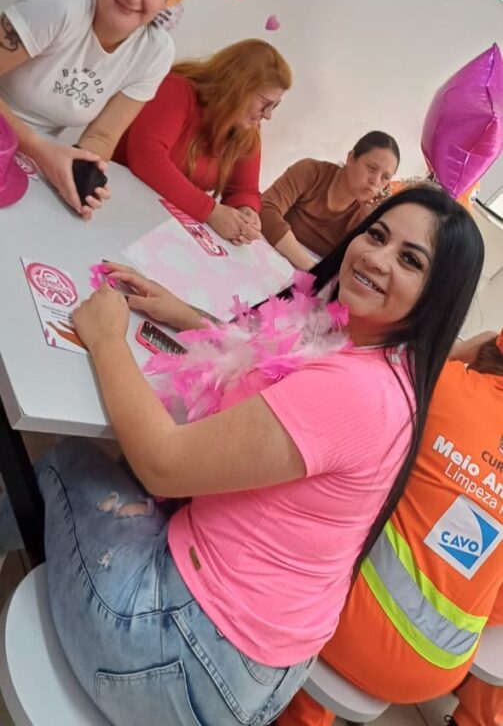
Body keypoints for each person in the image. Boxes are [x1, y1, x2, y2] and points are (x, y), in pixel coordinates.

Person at [0, 187, 483, 726]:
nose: (376, 257)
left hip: (176, 658)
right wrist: (186, 315)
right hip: (257, 674)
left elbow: (162, 463)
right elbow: (273, 364)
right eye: (377, 234)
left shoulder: (356, 392)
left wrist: (107, 338)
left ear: (437, 296)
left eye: (410, 260)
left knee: (66, 461)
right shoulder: (383, 362)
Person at [277, 332, 503, 726]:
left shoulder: (442, 385)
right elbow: (496, 610)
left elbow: (374, 369)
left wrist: (452, 352)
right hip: (435, 672)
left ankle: (296, 712)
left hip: (335, 627)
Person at [0, 0, 198, 218]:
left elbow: (103, 136)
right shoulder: (61, 5)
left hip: (29, 162)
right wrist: (41, 151)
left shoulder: (155, 53)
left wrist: (81, 172)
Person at [114, 39, 292, 245]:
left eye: (274, 106)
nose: (268, 115)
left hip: (157, 222)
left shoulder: (247, 127)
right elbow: (147, 158)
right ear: (239, 88)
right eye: (265, 103)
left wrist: (246, 212)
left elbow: (244, 190)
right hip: (116, 201)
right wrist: (210, 211)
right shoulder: (177, 89)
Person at [260, 131, 400, 269]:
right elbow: (266, 208)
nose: (375, 181)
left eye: (385, 177)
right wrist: (308, 266)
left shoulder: (365, 216)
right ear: (351, 158)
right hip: (269, 254)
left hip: (310, 275)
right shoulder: (311, 172)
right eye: (371, 168)